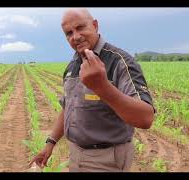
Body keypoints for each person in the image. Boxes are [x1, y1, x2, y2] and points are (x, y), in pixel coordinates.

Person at [29, 8, 156, 172]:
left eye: (80, 27)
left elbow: (146, 118)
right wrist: (50, 142)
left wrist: (102, 87)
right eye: (69, 33)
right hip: (76, 154)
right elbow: (68, 106)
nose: (75, 36)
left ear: (95, 25)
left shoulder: (119, 62)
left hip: (107, 159)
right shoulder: (73, 65)